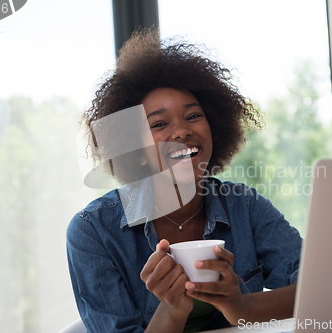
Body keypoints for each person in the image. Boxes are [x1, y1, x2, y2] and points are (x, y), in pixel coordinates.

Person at [67, 29, 302, 333]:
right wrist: (172, 310)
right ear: (136, 151)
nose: (181, 132)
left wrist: (242, 307)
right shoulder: (93, 231)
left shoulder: (245, 205)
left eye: (193, 116)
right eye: (160, 124)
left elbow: (320, 289)